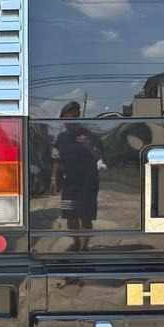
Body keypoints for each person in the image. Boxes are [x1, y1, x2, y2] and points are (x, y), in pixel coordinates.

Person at [50, 101, 103, 252]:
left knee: (85, 216)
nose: (69, 122)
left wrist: (89, 146)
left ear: (78, 117)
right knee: (70, 215)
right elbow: (56, 160)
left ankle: (84, 247)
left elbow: (100, 158)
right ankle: (76, 243)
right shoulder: (61, 138)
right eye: (65, 119)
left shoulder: (91, 136)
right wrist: (53, 178)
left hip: (88, 183)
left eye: (72, 118)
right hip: (69, 183)